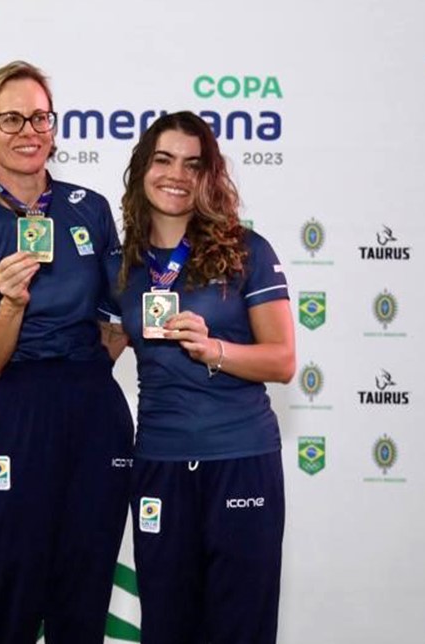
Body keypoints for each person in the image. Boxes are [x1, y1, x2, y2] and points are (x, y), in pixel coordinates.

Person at [0, 60, 134, 644]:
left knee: (86, 586)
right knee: (13, 590)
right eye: (12, 118)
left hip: (92, 405)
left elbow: (115, 318)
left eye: (40, 117)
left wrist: (86, 377)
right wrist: (13, 303)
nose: (29, 131)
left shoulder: (90, 208)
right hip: (13, 407)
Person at [105, 111, 296, 644]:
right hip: (160, 466)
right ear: (142, 168)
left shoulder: (246, 251)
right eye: (164, 159)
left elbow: (282, 361)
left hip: (240, 460)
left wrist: (215, 350)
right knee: (167, 628)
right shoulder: (123, 266)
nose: (177, 175)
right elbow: (89, 359)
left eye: (194, 164)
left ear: (210, 175)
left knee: (241, 627)